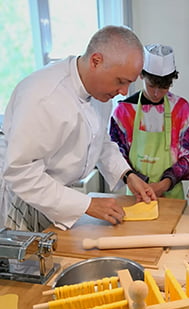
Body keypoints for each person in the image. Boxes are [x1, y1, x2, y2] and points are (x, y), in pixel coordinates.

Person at [1, 25, 156, 232]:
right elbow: (21, 173)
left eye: (129, 83)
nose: (123, 92)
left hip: (58, 194)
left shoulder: (99, 91)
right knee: (33, 264)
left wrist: (127, 175)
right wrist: (87, 204)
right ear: (96, 61)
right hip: (26, 197)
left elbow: (101, 141)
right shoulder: (43, 96)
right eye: (120, 81)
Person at [110, 43, 189, 199]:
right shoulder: (124, 111)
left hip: (171, 195)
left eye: (164, 87)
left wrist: (165, 183)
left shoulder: (181, 110)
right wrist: (139, 181)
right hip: (137, 193)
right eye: (152, 86)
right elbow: (115, 154)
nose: (157, 93)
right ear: (141, 75)